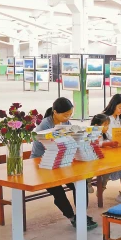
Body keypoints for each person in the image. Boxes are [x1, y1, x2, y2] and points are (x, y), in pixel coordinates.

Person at [30, 97, 97, 230]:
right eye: (65, 115)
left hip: (61, 160)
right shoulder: (45, 126)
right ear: (55, 112)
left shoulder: (65, 123)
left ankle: (81, 215)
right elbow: (51, 146)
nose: (68, 118)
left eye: (70, 114)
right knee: (57, 190)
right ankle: (72, 217)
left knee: (80, 183)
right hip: (43, 163)